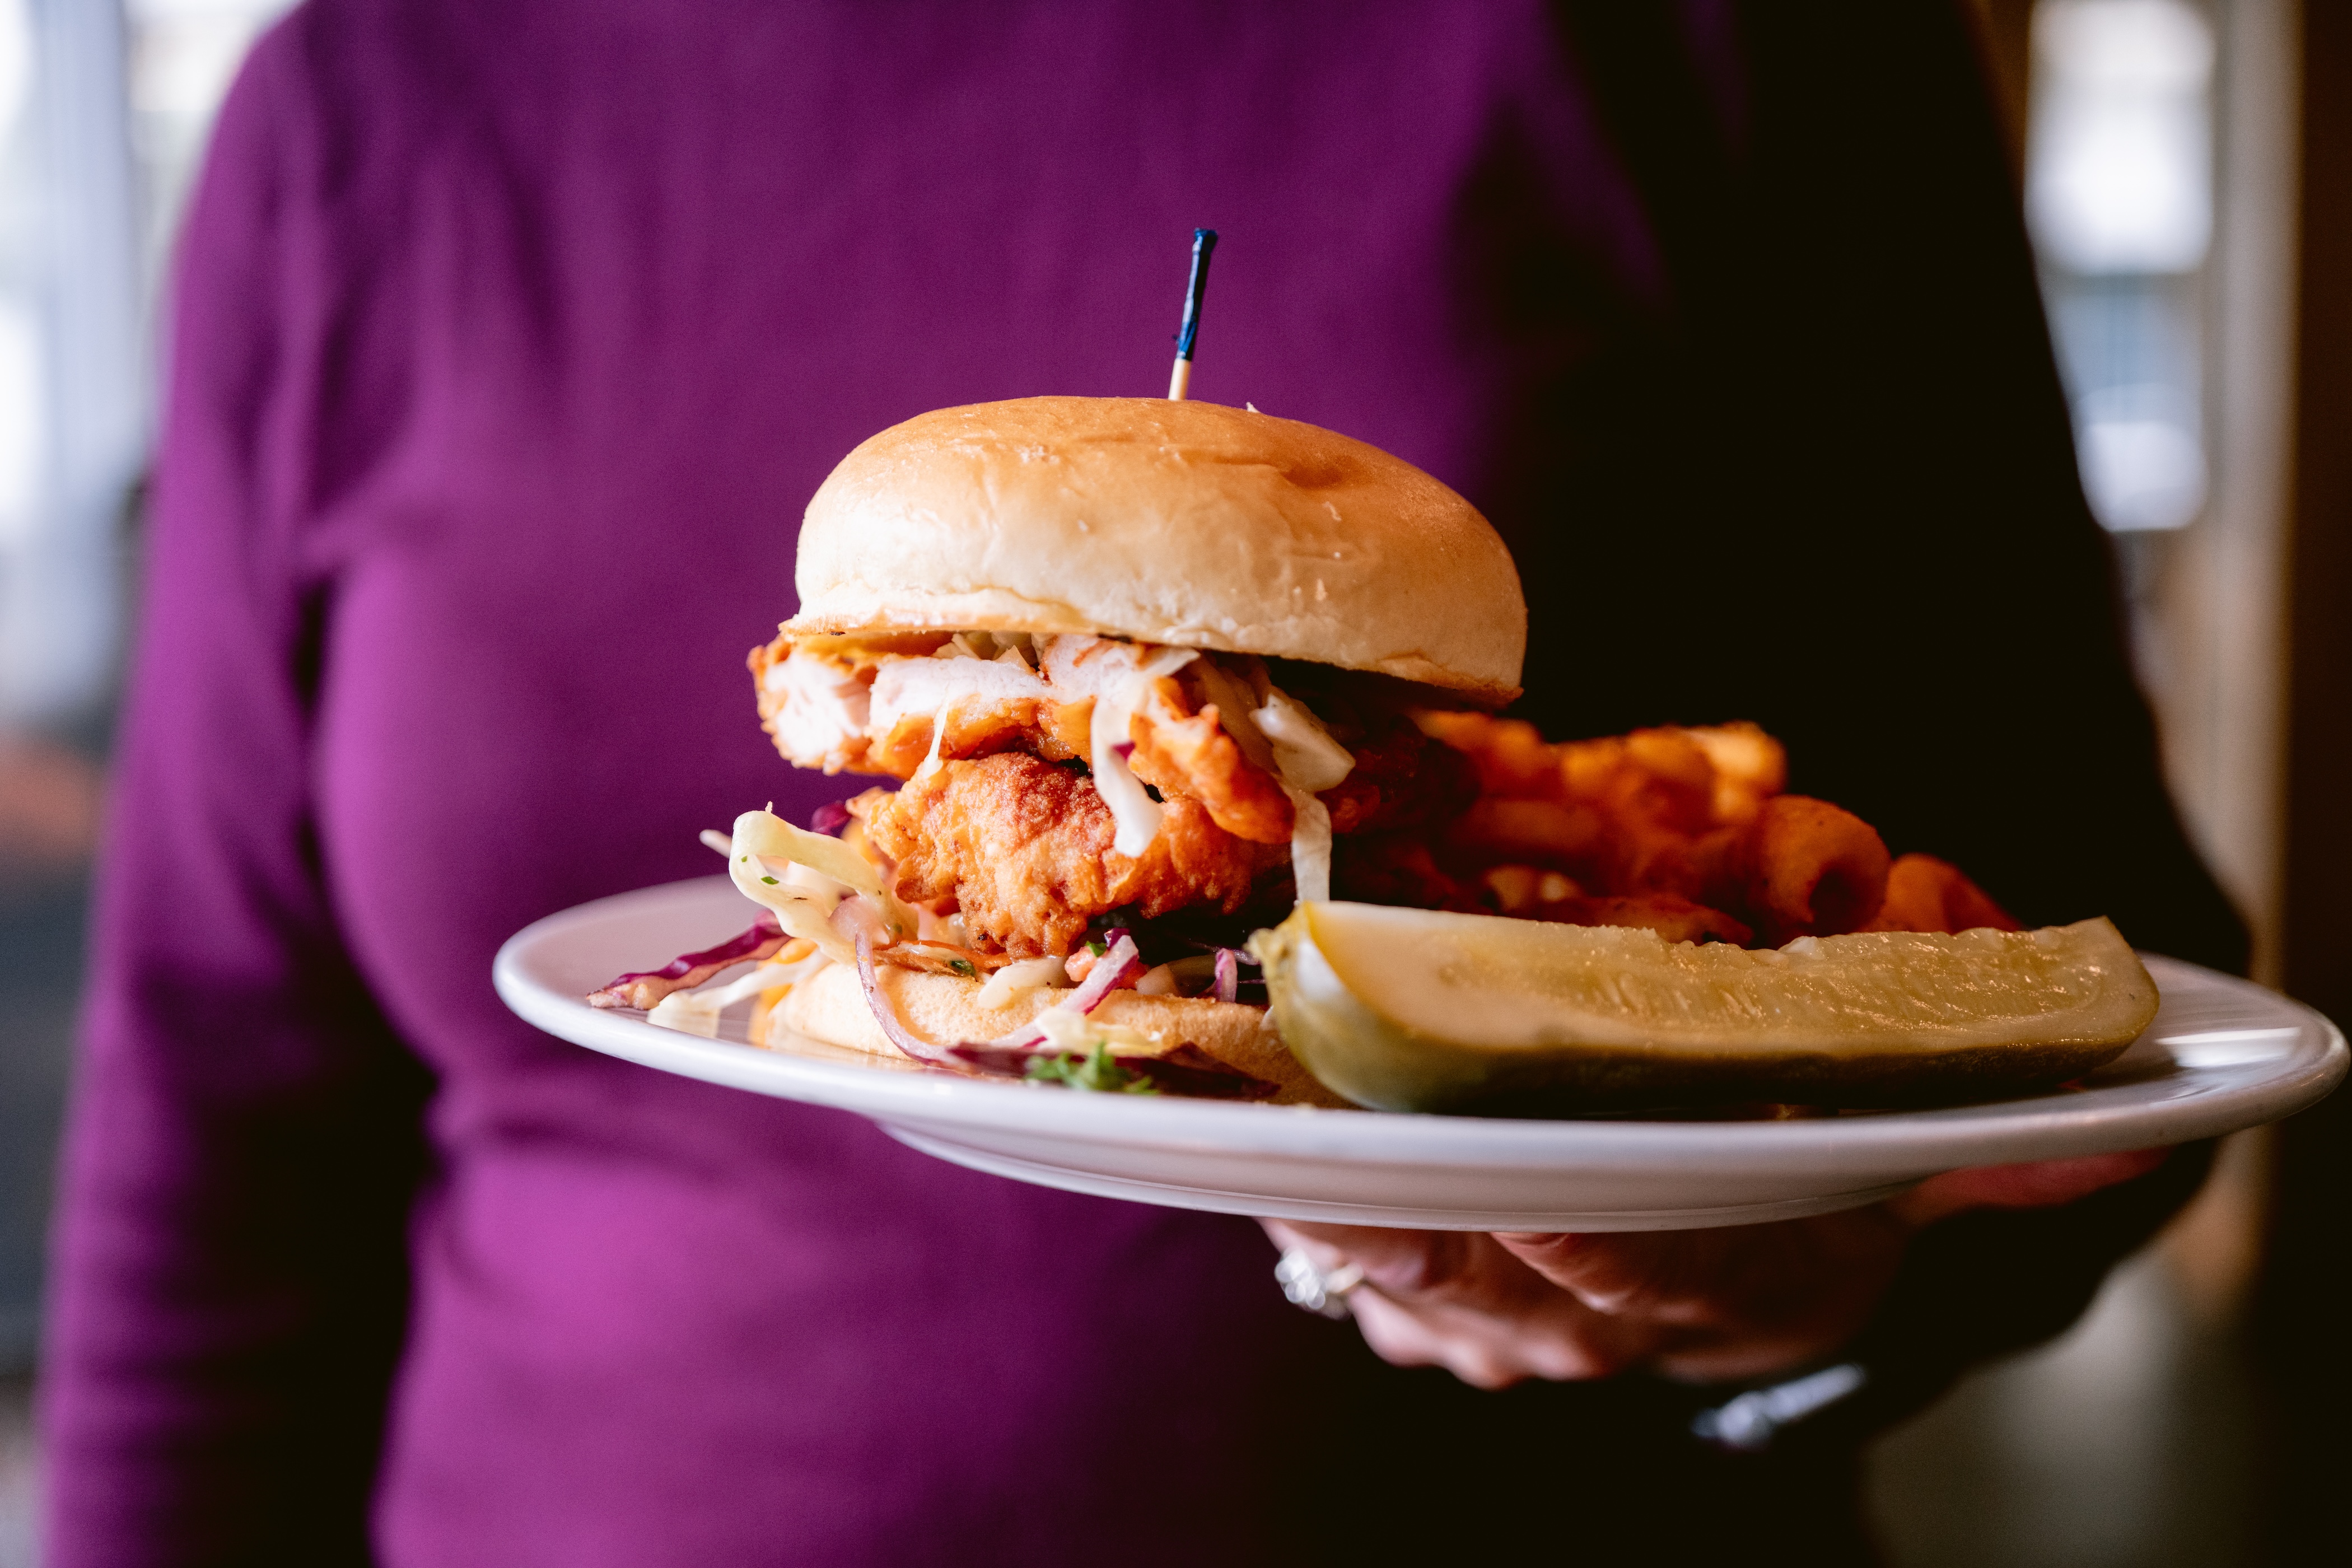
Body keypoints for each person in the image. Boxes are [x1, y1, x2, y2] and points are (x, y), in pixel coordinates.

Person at [41, 2, 2246, 1564]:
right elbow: (223, 1127)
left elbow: (2113, 993)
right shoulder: (370, 103)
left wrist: (1802, 1299)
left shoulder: (1730, 38)